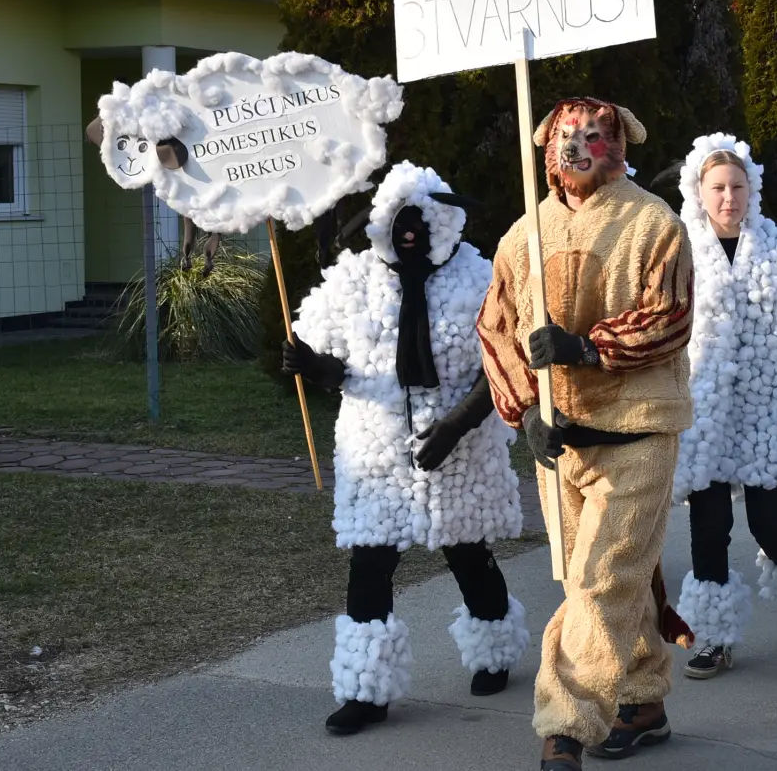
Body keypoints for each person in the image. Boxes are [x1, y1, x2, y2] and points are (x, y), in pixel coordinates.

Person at [477, 98, 694, 771]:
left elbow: (670, 316)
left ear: (620, 144)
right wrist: (525, 410)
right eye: (565, 139)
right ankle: (643, 696)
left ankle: (564, 729)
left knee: (600, 581)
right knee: (593, 580)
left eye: (592, 137)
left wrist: (587, 346)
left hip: (636, 429)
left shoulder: (654, 224)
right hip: (561, 440)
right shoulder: (523, 236)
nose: (576, 150)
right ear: (544, 148)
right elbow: (496, 328)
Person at [283, 162, 528, 736]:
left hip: (461, 451)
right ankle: (366, 691)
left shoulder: (480, 278)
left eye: (421, 218)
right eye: (399, 219)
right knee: (370, 564)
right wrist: (316, 366)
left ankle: (494, 648)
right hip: (377, 450)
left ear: (443, 220)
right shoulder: (355, 280)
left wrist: (455, 427)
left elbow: (503, 363)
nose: (410, 230)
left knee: (468, 553)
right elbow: (329, 356)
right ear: (381, 225)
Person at [670, 135, 777, 681]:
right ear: (699, 191)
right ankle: (713, 636)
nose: (728, 197)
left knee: (770, 525)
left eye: (737, 186)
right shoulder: (677, 251)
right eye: (718, 187)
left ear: (751, 189)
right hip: (703, 413)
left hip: (767, 410)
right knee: (709, 528)